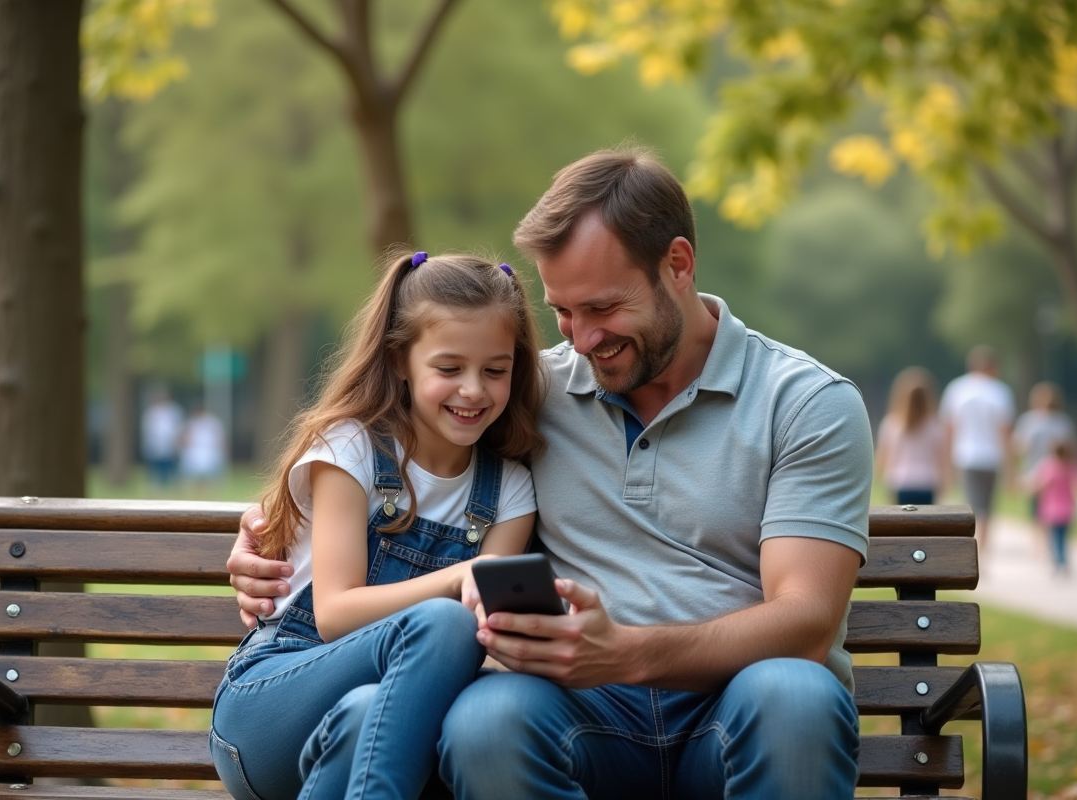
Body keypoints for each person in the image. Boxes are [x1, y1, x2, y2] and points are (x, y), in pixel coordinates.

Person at [228, 147, 873, 799]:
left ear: (677, 265)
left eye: (603, 308)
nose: (583, 338)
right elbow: (406, 445)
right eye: (564, 311)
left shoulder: (806, 403)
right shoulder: (530, 392)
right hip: (581, 715)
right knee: (488, 720)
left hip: (735, 708)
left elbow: (807, 619)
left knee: (797, 694)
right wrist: (270, 529)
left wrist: (626, 652)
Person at [209, 250, 545, 800]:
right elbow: (335, 614)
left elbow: (491, 636)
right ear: (399, 362)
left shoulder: (509, 489)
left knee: (375, 703)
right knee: (442, 623)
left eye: (495, 370)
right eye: (448, 368)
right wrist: (460, 579)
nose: (473, 390)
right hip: (271, 708)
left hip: (383, 728)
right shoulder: (351, 450)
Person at [940, 345, 1015, 551]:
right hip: (991, 457)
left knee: (971, 506)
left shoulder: (957, 389)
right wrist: (1011, 467)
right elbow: (1005, 433)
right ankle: (983, 551)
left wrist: (946, 466)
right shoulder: (1000, 391)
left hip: (965, 455)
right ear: (992, 367)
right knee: (987, 510)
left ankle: (970, 549)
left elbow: (949, 430)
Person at [875, 366, 947, 505]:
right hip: (927, 482)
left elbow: (883, 457)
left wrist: (881, 478)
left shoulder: (891, 423)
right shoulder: (935, 425)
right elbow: (941, 458)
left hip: (900, 482)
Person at [1013, 381, 1076, 517]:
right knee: (1049, 509)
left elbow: (1019, 447)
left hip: (1037, 471)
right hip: (1051, 471)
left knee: (1039, 510)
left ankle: (1041, 536)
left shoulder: (1029, 421)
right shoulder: (1062, 422)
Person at [1028, 437, 1077, 575]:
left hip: (1052, 509)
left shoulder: (1050, 467)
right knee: (1063, 537)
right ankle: (1062, 560)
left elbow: (1041, 485)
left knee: (1054, 537)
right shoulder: (1073, 467)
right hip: (1067, 509)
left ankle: (1058, 562)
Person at [179, 402, 227, 496]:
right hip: (194, 451)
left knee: (209, 476)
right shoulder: (192, 422)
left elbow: (220, 437)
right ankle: (197, 493)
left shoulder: (213, 422)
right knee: (195, 476)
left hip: (209, 451)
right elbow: (184, 437)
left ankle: (208, 494)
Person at [141, 386, 184, 489]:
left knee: (172, 470)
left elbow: (179, 428)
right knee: (155, 471)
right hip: (155, 445)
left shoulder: (174, 411)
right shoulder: (151, 412)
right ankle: (155, 488)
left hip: (170, 445)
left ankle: (173, 488)